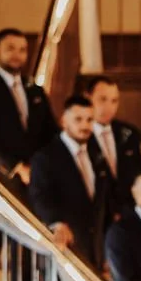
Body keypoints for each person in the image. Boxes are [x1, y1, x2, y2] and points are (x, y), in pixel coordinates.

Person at [28, 91, 113, 271]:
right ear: (64, 121)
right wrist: (57, 223)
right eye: (78, 119)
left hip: (95, 253)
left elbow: (103, 206)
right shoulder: (45, 158)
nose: (85, 125)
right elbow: (40, 196)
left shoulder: (97, 157)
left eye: (89, 120)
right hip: (65, 249)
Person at [0, 27, 57, 192]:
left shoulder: (34, 89)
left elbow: (50, 131)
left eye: (22, 50)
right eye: (10, 48)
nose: (17, 54)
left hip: (37, 179)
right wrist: (16, 167)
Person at [84, 75, 141, 210]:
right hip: (94, 213)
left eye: (114, 101)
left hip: (127, 212)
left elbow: (138, 174)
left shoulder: (129, 133)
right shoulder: (80, 135)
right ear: (88, 98)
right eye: (102, 99)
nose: (108, 107)